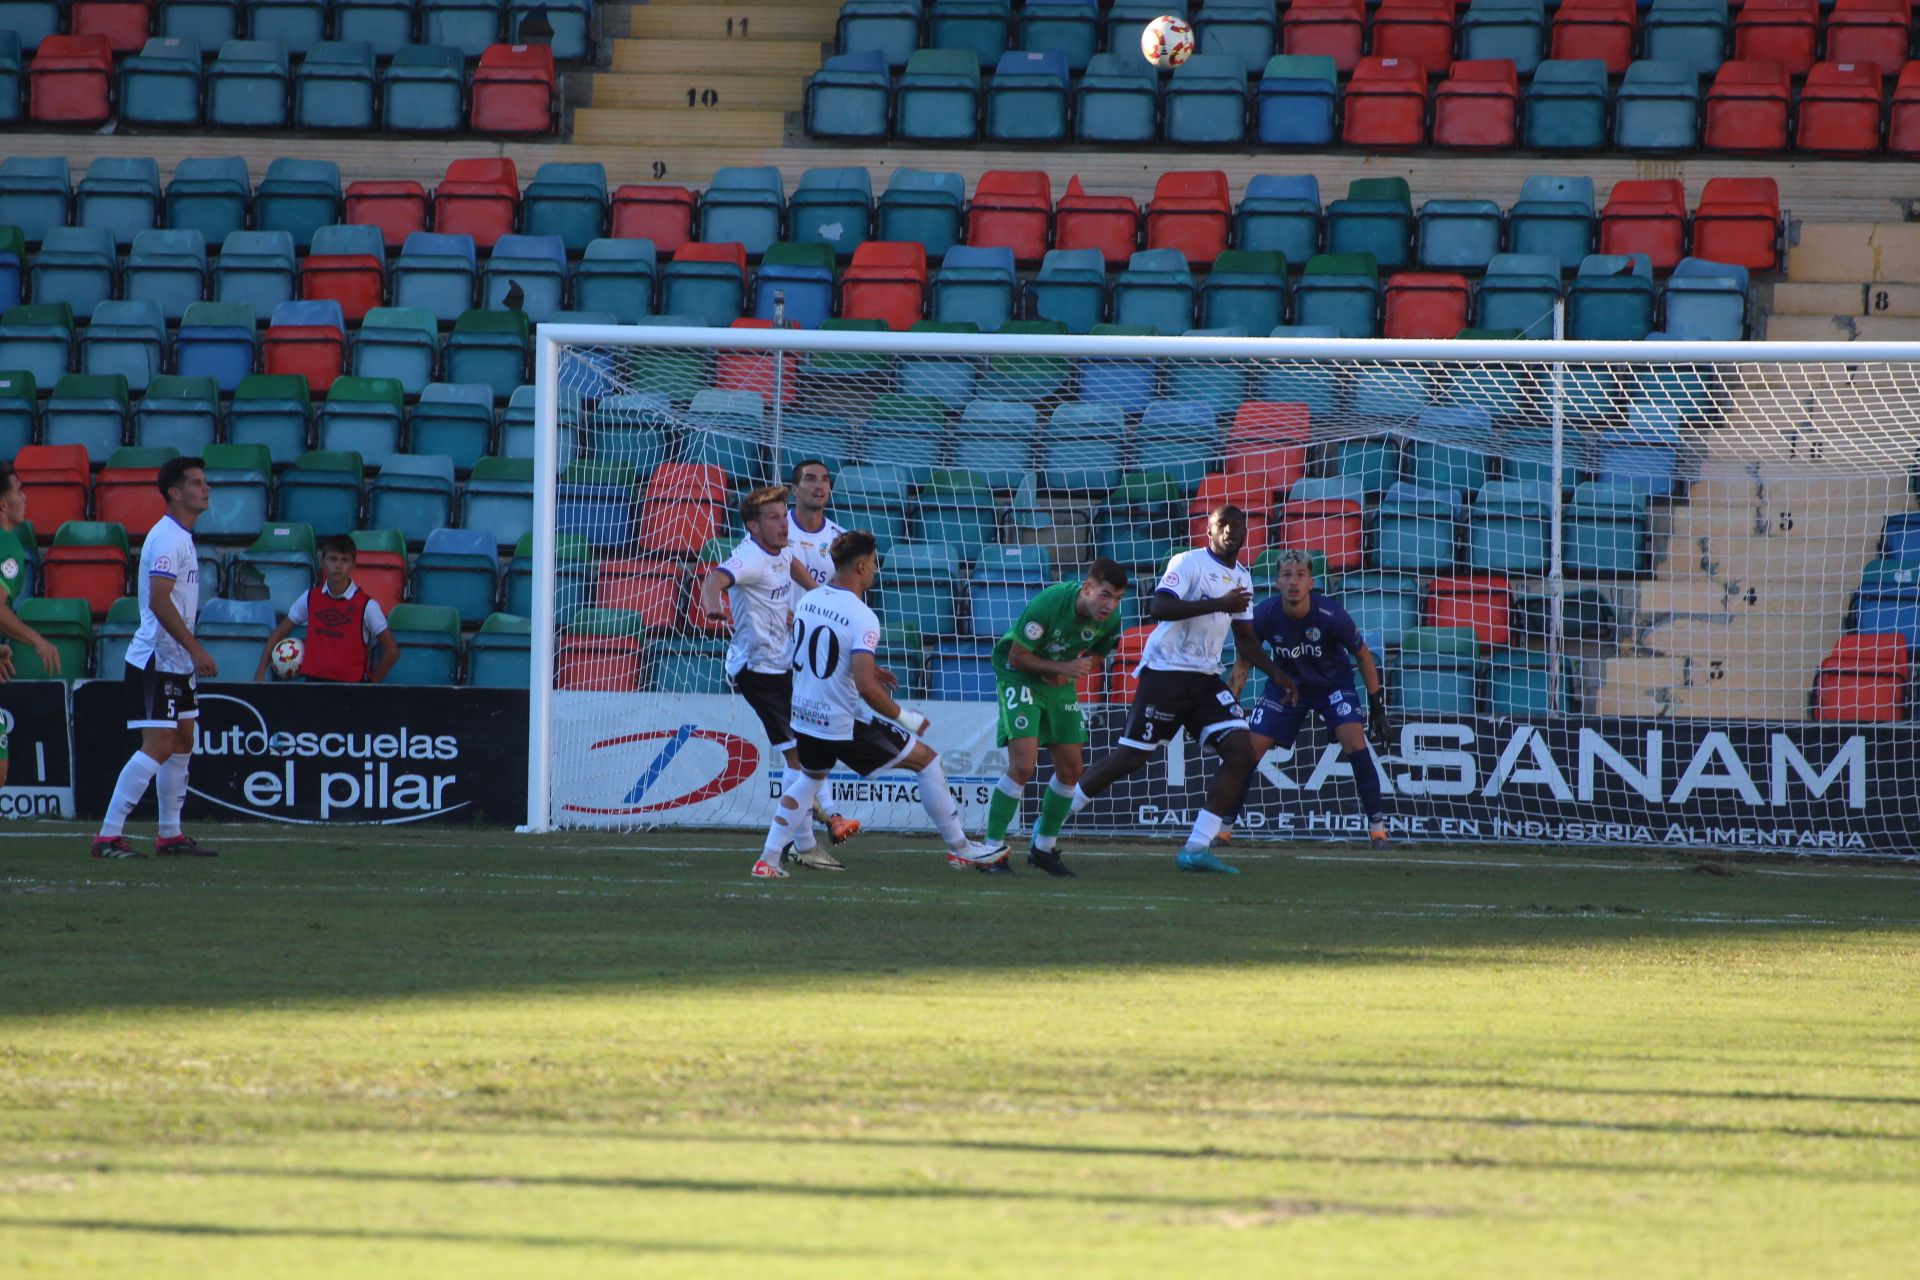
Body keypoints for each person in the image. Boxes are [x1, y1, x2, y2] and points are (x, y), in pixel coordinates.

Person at [753, 530, 1007, 878]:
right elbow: (866, 688)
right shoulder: (862, 615)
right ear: (860, 566)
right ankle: (961, 849)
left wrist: (869, 668)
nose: (876, 570)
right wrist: (907, 718)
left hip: (805, 714)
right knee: (927, 760)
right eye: (873, 563)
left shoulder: (810, 601)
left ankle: (768, 859)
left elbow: (814, 653)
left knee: (808, 780)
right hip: (842, 723)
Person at [1059, 505, 1295, 874]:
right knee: (1129, 759)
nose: (1230, 531)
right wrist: (1219, 603)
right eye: (1222, 525)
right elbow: (1159, 606)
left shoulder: (1244, 579)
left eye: (1237, 526)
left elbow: (1246, 643)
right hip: (1166, 670)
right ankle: (1050, 824)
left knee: (1242, 753)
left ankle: (1196, 848)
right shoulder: (1187, 563)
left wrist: (1278, 674)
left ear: (1247, 531)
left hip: (1204, 677)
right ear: (1210, 530)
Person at [699, 484, 853, 869]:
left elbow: (795, 569)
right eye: (773, 517)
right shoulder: (749, 558)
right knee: (801, 762)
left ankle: (803, 845)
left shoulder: (781, 550)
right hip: (758, 671)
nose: (784, 524)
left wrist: (824, 600)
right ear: (752, 526)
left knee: (803, 760)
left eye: (785, 516)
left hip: (783, 663)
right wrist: (713, 606)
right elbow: (714, 579)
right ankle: (784, 851)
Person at [92, 457, 220, 859]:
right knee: (159, 743)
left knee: (183, 739)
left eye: (206, 481)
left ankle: (169, 834)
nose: (206, 488)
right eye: (198, 483)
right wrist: (195, 648)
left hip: (176, 662)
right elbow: (159, 600)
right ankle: (107, 835)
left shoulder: (182, 536)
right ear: (175, 492)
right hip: (157, 658)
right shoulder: (167, 538)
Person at [1226, 549, 1391, 847]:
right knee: (1249, 751)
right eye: (1287, 575)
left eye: (1300, 575)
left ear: (1311, 583)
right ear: (1277, 582)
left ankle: (1377, 828)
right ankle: (1223, 828)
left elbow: (1364, 656)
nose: (1294, 582)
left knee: (1355, 741)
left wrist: (1376, 706)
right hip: (1287, 688)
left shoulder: (1330, 614)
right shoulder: (1264, 614)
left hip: (1332, 685)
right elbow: (1243, 661)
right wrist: (1230, 704)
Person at [979, 558, 1130, 878]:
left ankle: (1043, 848)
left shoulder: (1111, 618)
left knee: (1072, 768)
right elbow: (1017, 657)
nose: (1110, 605)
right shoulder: (1048, 603)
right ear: (1087, 588)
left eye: (1118, 598)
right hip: (1018, 677)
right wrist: (1063, 669)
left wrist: (1077, 667)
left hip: (1059, 683)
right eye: (1105, 595)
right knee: (1023, 765)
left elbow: (1099, 650)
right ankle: (991, 851)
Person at [779, 458, 862, 847]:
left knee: (806, 745)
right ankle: (809, 837)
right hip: (780, 650)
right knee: (794, 746)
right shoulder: (778, 534)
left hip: (821, 656)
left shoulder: (840, 539)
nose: (819, 486)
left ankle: (807, 839)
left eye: (825, 480)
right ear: (794, 489)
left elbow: (848, 597)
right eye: (810, 479)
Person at [253, 535, 401, 684]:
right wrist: (260, 673)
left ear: (353, 565)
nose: (338, 565)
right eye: (333, 559)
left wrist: (371, 683)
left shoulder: (367, 606)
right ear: (322, 562)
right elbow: (279, 632)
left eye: (345, 560)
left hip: (351, 689)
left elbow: (392, 651)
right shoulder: (310, 597)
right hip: (313, 686)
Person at [0, 461, 60, 791]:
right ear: (2, 503)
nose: (25, 498)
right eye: (19, 491)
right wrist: (37, 641)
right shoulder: (7, 545)